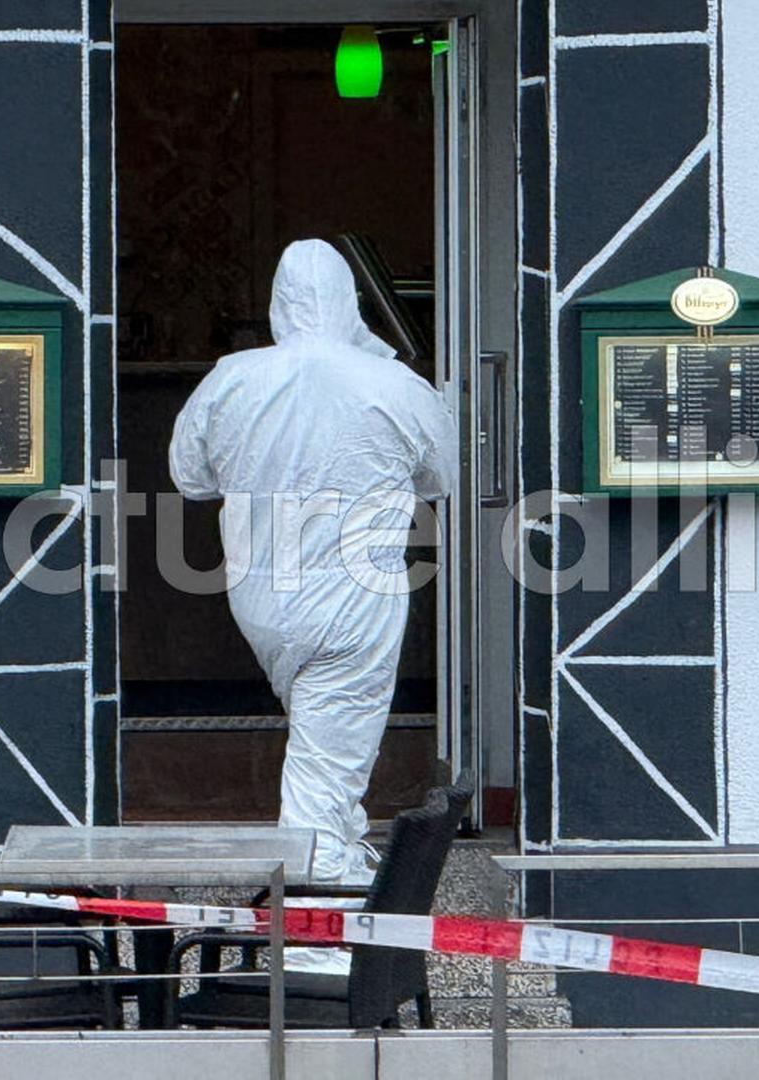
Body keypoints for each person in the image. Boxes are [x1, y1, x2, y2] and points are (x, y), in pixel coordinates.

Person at [169, 239, 459, 892]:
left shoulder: (232, 377)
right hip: (356, 599)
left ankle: (341, 865)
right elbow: (441, 477)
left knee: (322, 744)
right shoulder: (394, 384)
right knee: (328, 762)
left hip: (261, 598)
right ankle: (316, 927)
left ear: (278, 303)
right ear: (349, 302)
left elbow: (189, 477)